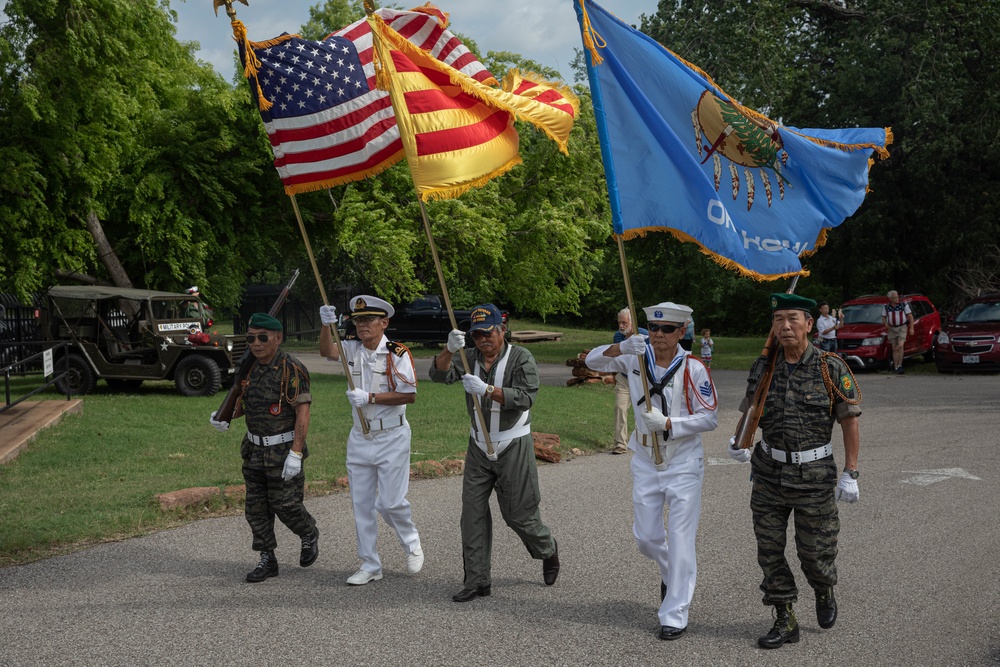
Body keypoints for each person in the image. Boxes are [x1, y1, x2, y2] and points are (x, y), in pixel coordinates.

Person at [727, 293, 862, 649]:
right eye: (778, 320)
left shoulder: (831, 367)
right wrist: (741, 435)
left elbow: (849, 421)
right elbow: (750, 401)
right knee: (769, 550)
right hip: (769, 474)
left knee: (815, 555)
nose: (785, 326)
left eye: (793, 319)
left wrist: (851, 472)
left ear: (809, 325)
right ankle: (784, 616)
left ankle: (823, 588)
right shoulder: (763, 366)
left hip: (814, 478)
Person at [586, 302, 718, 641]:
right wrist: (620, 346)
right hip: (645, 456)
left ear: (682, 332)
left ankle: (674, 613)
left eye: (667, 330)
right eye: (653, 328)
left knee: (680, 537)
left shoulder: (693, 368)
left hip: (682, 460)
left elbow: (709, 418)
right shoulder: (634, 356)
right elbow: (591, 360)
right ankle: (673, 573)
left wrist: (671, 423)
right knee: (646, 539)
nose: (658, 335)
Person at [429, 304, 559, 602]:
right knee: (471, 514)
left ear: (502, 330)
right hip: (477, 447)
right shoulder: (468, 356)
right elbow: (438, 375)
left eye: (488, 333)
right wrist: (448, 350)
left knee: (518, 515)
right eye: (476, 336)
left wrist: (487, 389)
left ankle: (547, 548)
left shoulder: (520, 358)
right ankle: (477, 581)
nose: (482, 341)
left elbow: (526, 397)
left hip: (513, 444)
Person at [318, 296, 424, 585]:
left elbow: (409, 395)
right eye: (358, 321)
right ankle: (370, 564)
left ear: (383, 323)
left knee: (389, 504)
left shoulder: (396, 353)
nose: (362, 325)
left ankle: (411, 541)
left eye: (368, 320)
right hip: (360, 436)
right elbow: (327, 350)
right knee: (361, 505)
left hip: (392, 435)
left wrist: (370, 397)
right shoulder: (351, 348)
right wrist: (326, 324)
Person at [209, 312, 319, 583]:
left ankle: (308, 533)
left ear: (278, 338)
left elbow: (302, 413)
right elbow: (244, 404)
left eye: (262, 337)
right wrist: (223, 416)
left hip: (282, 451)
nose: (256, 344)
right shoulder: (248, 369)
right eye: (250, 338)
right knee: (256, 509)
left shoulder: (291, 369)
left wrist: (296, 452)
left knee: (286, 506)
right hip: (255, 450)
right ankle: (267, 559)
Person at [611, 308, 648, 455]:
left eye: (624, 322)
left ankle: (645, 441)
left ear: (632, 322)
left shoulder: (645, 335)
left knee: (644, 412)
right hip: (624, 378)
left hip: (641, 379)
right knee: (620, 408)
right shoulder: (617, 337)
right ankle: (620, 443)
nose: (621, 326)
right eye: (619, 322)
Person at [881, 290, 914, 374]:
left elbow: (910, 316)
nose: (897, 299)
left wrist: (911, 328)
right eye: (895, 298)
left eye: (897, 297)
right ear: (890, 299)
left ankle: (900, 365)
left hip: (902, 327)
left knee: (900, 345)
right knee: (894, 347)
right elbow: (883, 317)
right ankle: (896, 366)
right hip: (892, 328)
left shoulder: (903, 305)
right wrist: (885, 324)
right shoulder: (886, 307)